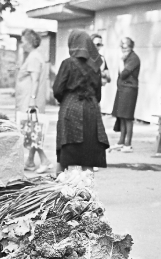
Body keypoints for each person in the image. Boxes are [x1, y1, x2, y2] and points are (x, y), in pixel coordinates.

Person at [53, 30, 109, 173]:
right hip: (91, 110)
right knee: (88, 155)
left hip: (70, 109)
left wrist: (66, 100)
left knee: (65, 155)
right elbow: (98, 94)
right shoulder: (95, 66)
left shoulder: (67, 63)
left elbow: (58, 89)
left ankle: (59, 189)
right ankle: (87, 192)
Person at [16, 28, 51, 174]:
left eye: (23, 41)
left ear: (30, 42)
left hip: (30, 101)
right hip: (29, 99)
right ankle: (30, 161)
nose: (21, 44)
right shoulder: (33, 56)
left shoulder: (34, 57)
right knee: (31, 131)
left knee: (32, 132)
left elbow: (35, 81)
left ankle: (44, 160)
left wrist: (32, 100)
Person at [111, 37, 140, 152]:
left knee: (127, 117)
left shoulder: (133, 58)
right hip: (123, 89)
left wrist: (121, 61)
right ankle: (121, 141)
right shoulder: (127, 57)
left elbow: (123, 74)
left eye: (126, 46)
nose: (123, 48)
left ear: (131, 46)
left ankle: (128, 144)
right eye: (122, 46)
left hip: (129, 89)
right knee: (122, 116)